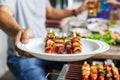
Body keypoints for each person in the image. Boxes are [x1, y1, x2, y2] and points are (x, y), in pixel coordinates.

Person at [0, 0, 89, 80]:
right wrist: (20, 31)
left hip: (47, 51)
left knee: (85, 66)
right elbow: (3, 13)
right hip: (22, 56)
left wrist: (77, 11)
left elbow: (50, 12)